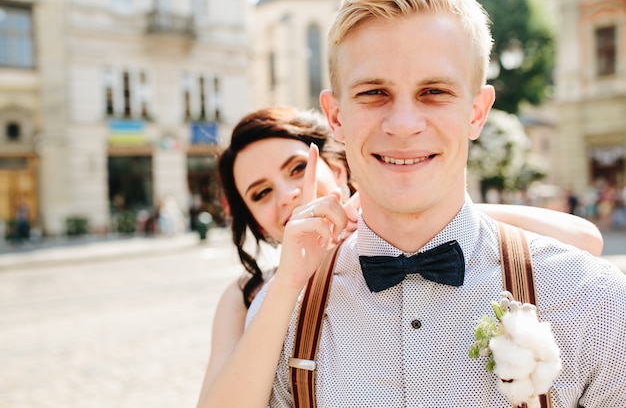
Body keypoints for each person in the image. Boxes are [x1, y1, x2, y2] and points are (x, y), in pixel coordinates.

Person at [244, 0, 626, 407]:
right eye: (374, 93)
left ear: (477, 112)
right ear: (336, 116)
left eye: (434, 91)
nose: (404, 125)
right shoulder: (283, 317)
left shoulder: (592, 301)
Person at [196, 105, 605, 408]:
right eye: (261, 193)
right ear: (253, 219)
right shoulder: (250, 295)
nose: (286, 194)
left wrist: (391, 210)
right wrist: (288, 282)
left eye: (297, 168)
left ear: (339, 170)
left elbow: (584, 240)